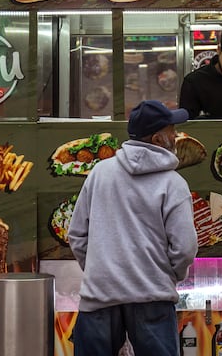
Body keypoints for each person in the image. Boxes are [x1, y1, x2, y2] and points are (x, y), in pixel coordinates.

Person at [68, 100, 198, 356]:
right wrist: (167, 275)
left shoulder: (99, 173)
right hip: (152, 297)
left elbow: (76, 234)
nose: (176, 135)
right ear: (159, 139)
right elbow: (185, 247)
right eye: (172, 129)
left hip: (100, 297)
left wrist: (100, 269)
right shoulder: (174, 183)